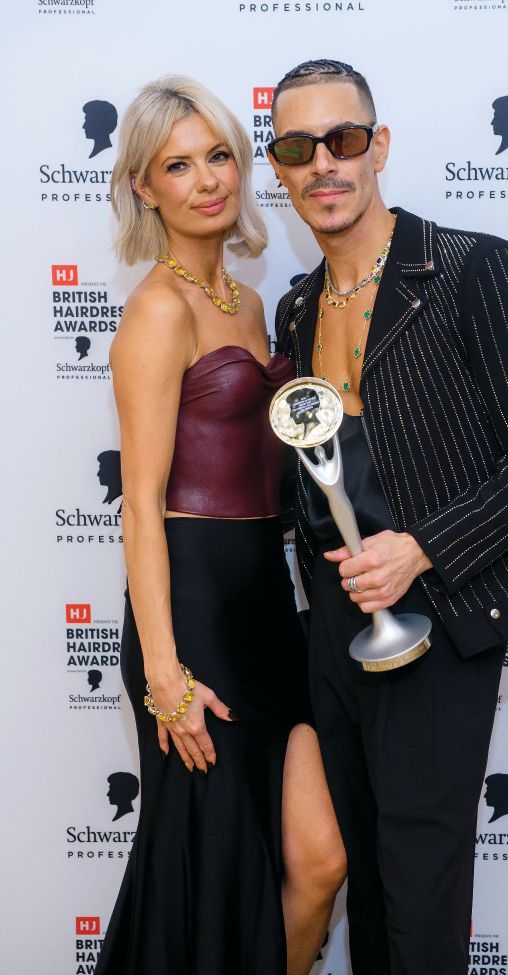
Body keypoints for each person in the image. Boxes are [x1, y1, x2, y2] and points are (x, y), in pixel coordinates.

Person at [269, 59, 508, 975]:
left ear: (379, 147)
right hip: (335, 623)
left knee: (420, 890)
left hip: (441, 615)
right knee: (366, 880)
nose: (324, 164)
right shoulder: (297, 308)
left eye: (343, 139)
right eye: (298, 148)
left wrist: (421, 549)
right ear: (280, 169)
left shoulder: (471, 268)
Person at [95, 75, 345, 975]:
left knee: (318, 859)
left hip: (269, 605)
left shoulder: (248, 301)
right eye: (177, 166)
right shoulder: (157, 312)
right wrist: (165, 673)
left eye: (218, 157)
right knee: (210, 869)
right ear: (143, 186)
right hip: (192, 611)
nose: (206, 181)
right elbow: (142, 507)